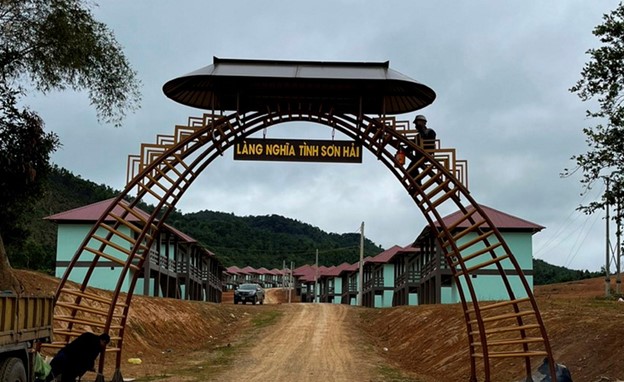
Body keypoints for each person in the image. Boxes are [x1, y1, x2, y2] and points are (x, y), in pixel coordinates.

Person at [46, 332, 110, 382]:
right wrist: (90, 367)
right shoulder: (96, 347)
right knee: (67, 378)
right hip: (71, 363)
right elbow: (88, 360)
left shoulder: (88, 335)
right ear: (104, 341)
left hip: (63, 353)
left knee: (48, 375)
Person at [407, 114, 437, 181]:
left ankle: (417, 184)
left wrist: (422, 134)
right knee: (410, 170)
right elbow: (410, 146)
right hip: (418, 156)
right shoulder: (417, 136)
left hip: (425, 154)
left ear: (423, 122)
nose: (416, 125)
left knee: (411, 169)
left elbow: (430, 142)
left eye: (417, 122)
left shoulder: (430, 131)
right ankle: (416, 184)